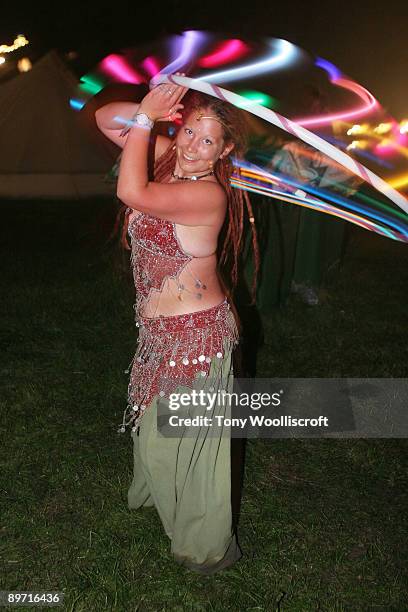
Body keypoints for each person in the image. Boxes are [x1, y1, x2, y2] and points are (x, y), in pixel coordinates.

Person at [95, 82, 258, 574]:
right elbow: (107, 118)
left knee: (176, 440)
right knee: (155, 434)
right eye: (188, 130)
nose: (190, 145)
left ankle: (209, 547)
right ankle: (162, 499)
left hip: (196, 336)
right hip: (161, 334)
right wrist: (158, 108)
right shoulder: (172, 158)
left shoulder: (207, 193)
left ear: (224, 150)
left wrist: (148, 120)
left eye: (206, 140)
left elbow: (131, 191)